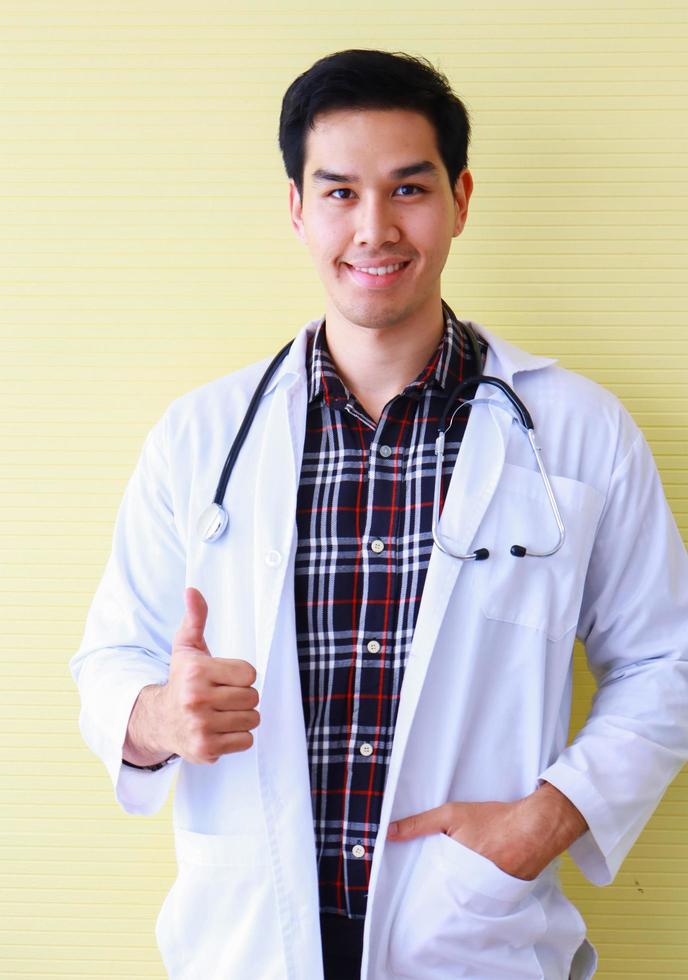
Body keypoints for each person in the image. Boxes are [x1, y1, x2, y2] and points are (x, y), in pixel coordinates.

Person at [69, 49, 688, 980]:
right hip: (246, 943)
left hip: (475, 938)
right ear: (296, 209)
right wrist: (158, 717)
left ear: (461, 199)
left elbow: (666, 660)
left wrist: (544, 823)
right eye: (339, 193)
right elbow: (109, 658)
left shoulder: (578, 432)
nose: (375, 228)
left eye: (409, 188)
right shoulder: (200, 437)